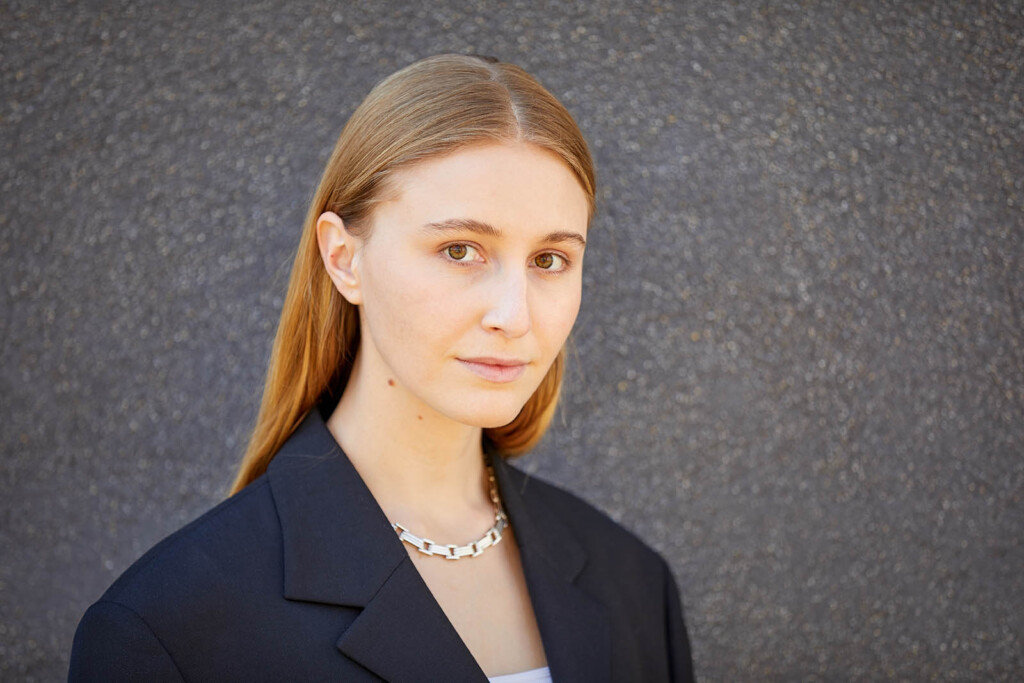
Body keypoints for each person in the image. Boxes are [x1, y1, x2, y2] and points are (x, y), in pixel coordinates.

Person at [68, 53, 694, 682]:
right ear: (344, 258)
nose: (514, 314)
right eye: (460, 250)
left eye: (551, 260)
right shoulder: (167, 630)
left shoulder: (635, 587)